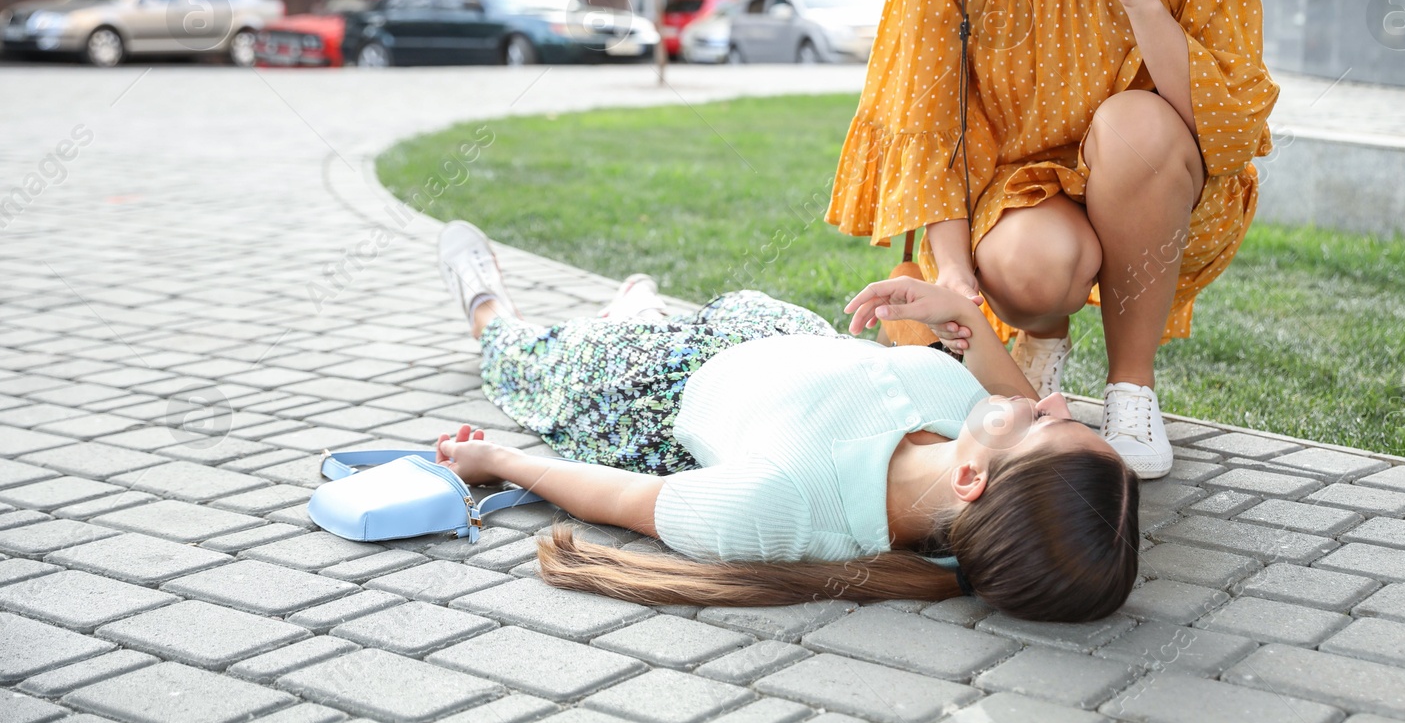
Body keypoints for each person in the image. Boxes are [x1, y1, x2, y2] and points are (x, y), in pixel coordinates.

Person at [732, 0, 1280, 479]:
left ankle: (1131, 389)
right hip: (1019, 201)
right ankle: (1040, 338)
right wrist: (954, 275)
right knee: (1035, 264)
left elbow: (1227, 129)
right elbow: (926, 125)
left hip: (1159, 184)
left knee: (1135, 125)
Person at [431, 221, 1139, 621]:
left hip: (652, 387)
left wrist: (500, 461)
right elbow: (1033, 448)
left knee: (524, 357)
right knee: (644, 323)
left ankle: (486, 302)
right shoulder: (972, 431)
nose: (1051, 400)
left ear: (970, 479)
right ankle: (636, 313)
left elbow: (623, 498)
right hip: (767, 328)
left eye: (1046, 421)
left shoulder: (783, 506)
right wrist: (956, 315)